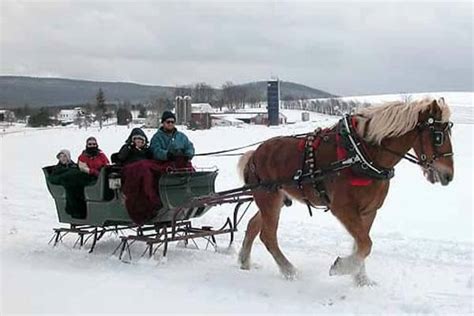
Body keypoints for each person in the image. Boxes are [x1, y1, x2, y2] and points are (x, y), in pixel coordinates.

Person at [48, 149, 95, 219]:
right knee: (71, 188)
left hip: (79, 186)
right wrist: (66, 177)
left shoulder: (75, 166)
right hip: (69, 187)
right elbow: (52, 179)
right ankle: (74, 211)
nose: (63, 158)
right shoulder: (57, 168)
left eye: (65, 156)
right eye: (61, 157)